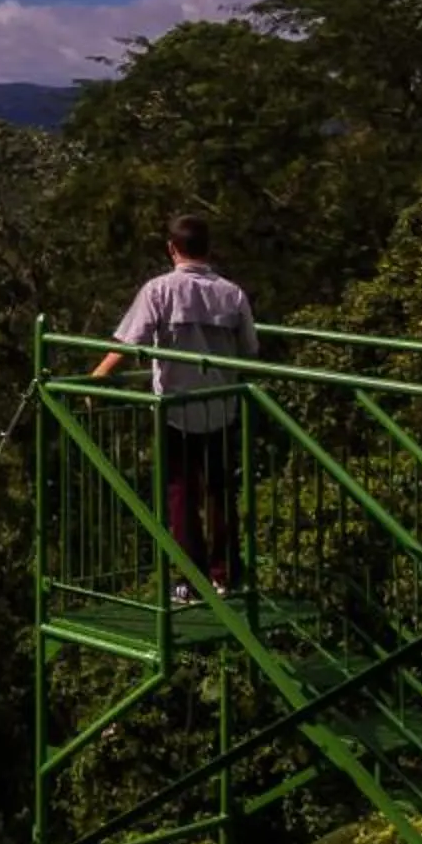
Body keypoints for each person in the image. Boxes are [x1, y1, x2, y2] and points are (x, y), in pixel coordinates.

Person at [89, 213, 257, 605]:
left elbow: (131, 342)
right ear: (209, 248)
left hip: (176, 412)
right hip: (221, 407)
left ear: (171, 248)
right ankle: (225, 574)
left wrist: (97, 377)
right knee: (220, 493)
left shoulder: (159, 291)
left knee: (181, 494)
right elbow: (250, 348)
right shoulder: (232, 294)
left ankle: (193, 579)